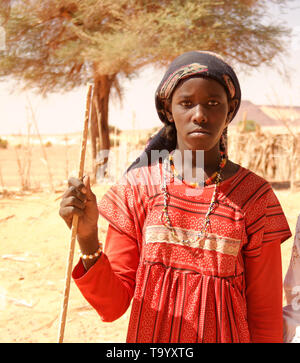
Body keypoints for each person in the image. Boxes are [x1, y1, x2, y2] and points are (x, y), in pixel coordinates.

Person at [59, 51, 292, 343]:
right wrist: (88, 236)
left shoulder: (255, 197)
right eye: (186, 103)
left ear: (230, 110)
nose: (200, 114)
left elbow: (265, 314)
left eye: (213, 103)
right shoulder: (137, 188)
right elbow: (112, 305)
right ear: (169, 110)